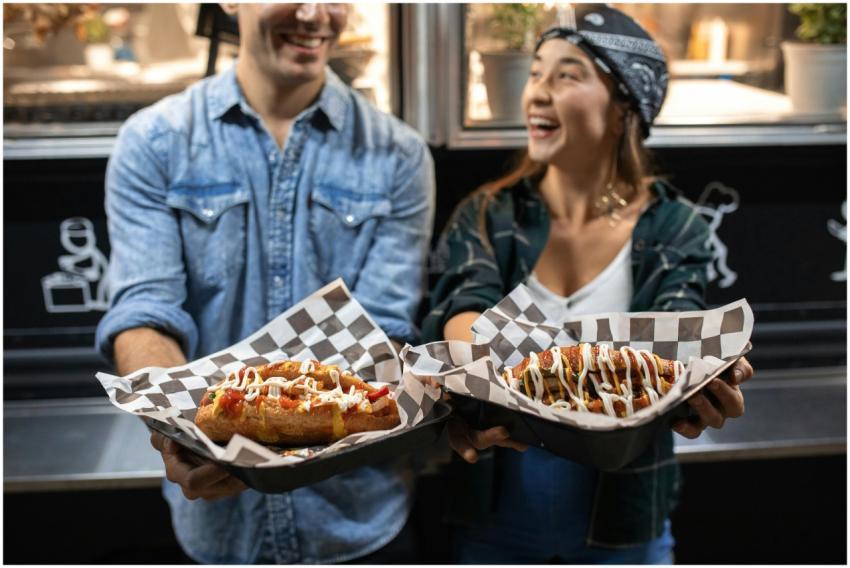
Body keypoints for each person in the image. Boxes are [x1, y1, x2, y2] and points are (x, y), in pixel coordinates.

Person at [95, 3, 434, 564]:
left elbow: (383, 331)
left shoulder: (398, 157)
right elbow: (145, 311)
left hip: (358, 519)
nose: (314, 14)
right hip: (218, 523)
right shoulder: (154, 142)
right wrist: (178, 424)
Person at [421, 5, 753, 564]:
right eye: (535, 72)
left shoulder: (675, 228)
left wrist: (705, 377)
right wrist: (473, 365)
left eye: (567, 74)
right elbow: (464, 305)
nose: (537, 93)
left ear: (626, 104)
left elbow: (674, 331)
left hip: (624, 530)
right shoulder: (485, 213)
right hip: (494, 525)